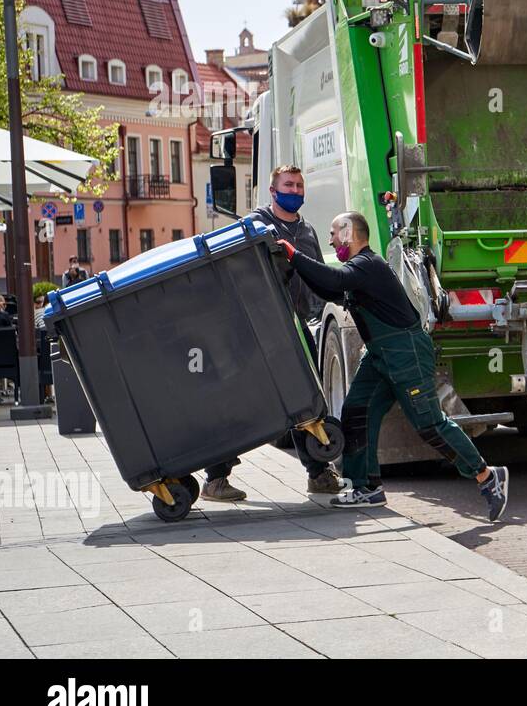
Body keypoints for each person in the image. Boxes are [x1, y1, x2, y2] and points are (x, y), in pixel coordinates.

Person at [278, 211, 509, 519]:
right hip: (380, 355)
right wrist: (295, 265)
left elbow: (335, 280)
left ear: (348, 233)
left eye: (335, 233)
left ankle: (487, 476)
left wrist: (295, 255)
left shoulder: (368, 265)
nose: (331, 239)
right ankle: (366, 487)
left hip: (404, 353)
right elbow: (330, 289)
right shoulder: (357, 269)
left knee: (429, 424)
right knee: (357, 411)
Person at [200, 165, 344, 503]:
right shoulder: (255, 225)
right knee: (243, 400)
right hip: (255, 330)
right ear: (272, 190)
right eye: (288, 185)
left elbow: (311, 278)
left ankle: (319, 474)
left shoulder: (306, 231)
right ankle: (215, 479)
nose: (294, 190)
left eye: (299, 185)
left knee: (307, 396)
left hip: (292, 327)